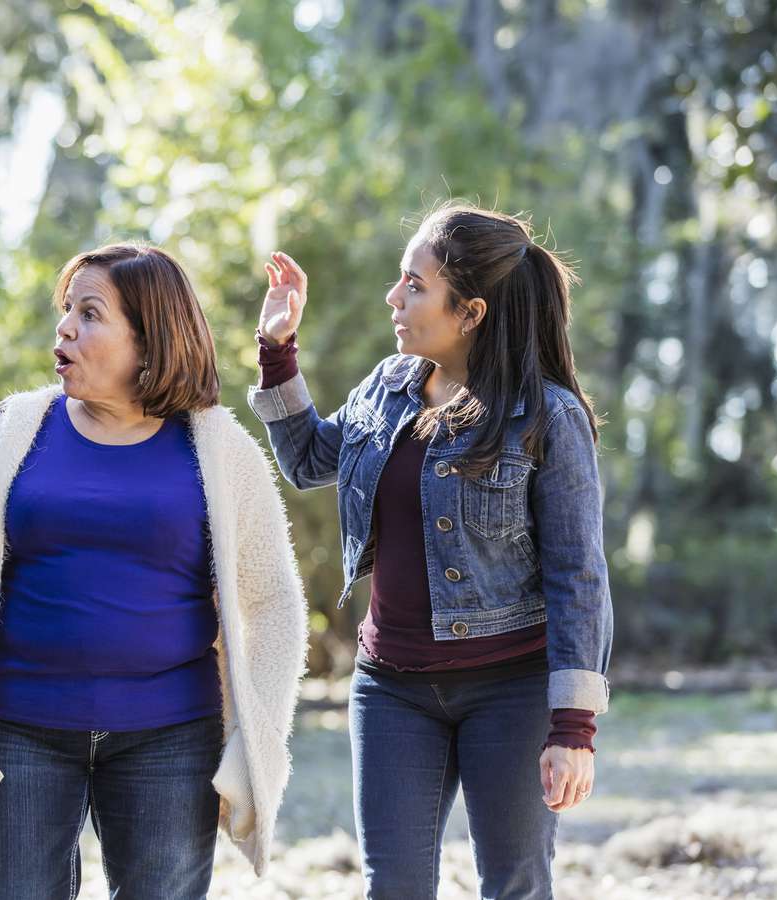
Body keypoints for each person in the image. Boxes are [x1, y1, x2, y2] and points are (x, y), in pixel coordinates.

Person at [0, 243, 308, 898]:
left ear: (149, 339)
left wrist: (259, 738)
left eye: (90, 313)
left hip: (171, 737)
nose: (65, 326)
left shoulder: (219, 447)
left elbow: (272, 602)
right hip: (17, 731)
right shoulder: (16, 431)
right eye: (66, 309)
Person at [247, 202, 612, 899]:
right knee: (395, 889)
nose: (395, 296)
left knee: (514, 885)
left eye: (414, 284)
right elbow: (305, 460)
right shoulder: (388, 388)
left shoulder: (549, 416)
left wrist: (573, 727)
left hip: (511, 688)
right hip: (391, 688)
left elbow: (579, 575)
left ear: (469, 312)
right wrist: (277, 349)